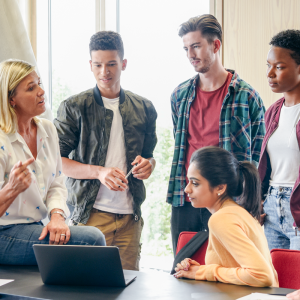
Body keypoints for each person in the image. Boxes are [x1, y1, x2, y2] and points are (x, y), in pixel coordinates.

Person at [54, 31, 157, 271]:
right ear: (90, 65)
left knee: (127, 289)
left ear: (123, 63)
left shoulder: (144, 107)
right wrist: (99, 172)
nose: (105, 72)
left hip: (130, 218)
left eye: (111, 64)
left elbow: (150, 155)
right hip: (90, 217)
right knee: (86, 289)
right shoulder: (74, 107)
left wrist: (149, 165)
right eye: (98, 65)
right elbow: (55, 162)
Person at [167, 14, 266, 255]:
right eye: (186, 48)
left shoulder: (247, 96)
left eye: (196, 46)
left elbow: (258, 156)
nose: (191, 54)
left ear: (216, 45)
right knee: (183, 270)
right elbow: (180, 146)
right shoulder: (179, 95)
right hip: (186, 198)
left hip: (230, 200)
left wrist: (254, 202)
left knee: (228, 273)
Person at [0, 59, 106, 265]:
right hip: (4, 232)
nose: (41, 91)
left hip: (35, 225)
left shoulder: (47, 129)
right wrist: (11, 189)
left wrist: (57, 216)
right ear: (11, 99)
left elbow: (57, 183)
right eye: (31, 88)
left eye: (39, 83)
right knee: (91, 240)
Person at [173, 146, 278, 287]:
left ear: (221, 188)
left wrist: (204, 272)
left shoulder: (222, 218)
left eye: (195, 183)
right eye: (188, 181)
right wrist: (199, 270)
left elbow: (262, 275)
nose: (187, 189)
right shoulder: (237, 212)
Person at [258, 30, 300, 250]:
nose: (270, 74)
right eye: (268, 66)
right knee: (275, 282)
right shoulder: (273, 112)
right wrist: (260, 201)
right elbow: (266, 166)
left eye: (280, 67)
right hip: (273, 208)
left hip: (297, 210)